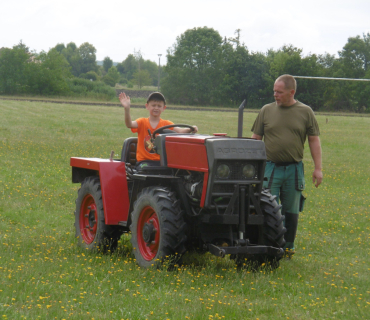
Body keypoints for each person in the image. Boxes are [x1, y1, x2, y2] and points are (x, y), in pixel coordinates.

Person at [251, 74, 323, 257]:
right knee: (267, 207)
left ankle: (288, 247)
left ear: (292, 92)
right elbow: (255, 140)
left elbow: (314, 140)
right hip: (270, 168)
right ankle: (267, 245)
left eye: (279, 92)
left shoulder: (306, 112)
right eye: (274, 91)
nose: (275, 95)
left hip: (294, 169)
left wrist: (318, 168)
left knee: (291, 211)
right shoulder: (266, 110)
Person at [119, 91, 198, 169]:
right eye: (153, 105)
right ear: (147, 106)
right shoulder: (142, 122)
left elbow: (180, 131)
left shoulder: (167, 124)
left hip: (161, 162)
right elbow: (129, 124)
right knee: (146, 169)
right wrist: (127, 109)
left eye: (159, 106)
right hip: (144, 162)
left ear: (164, 108)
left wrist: (190, 128)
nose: (156, 108)